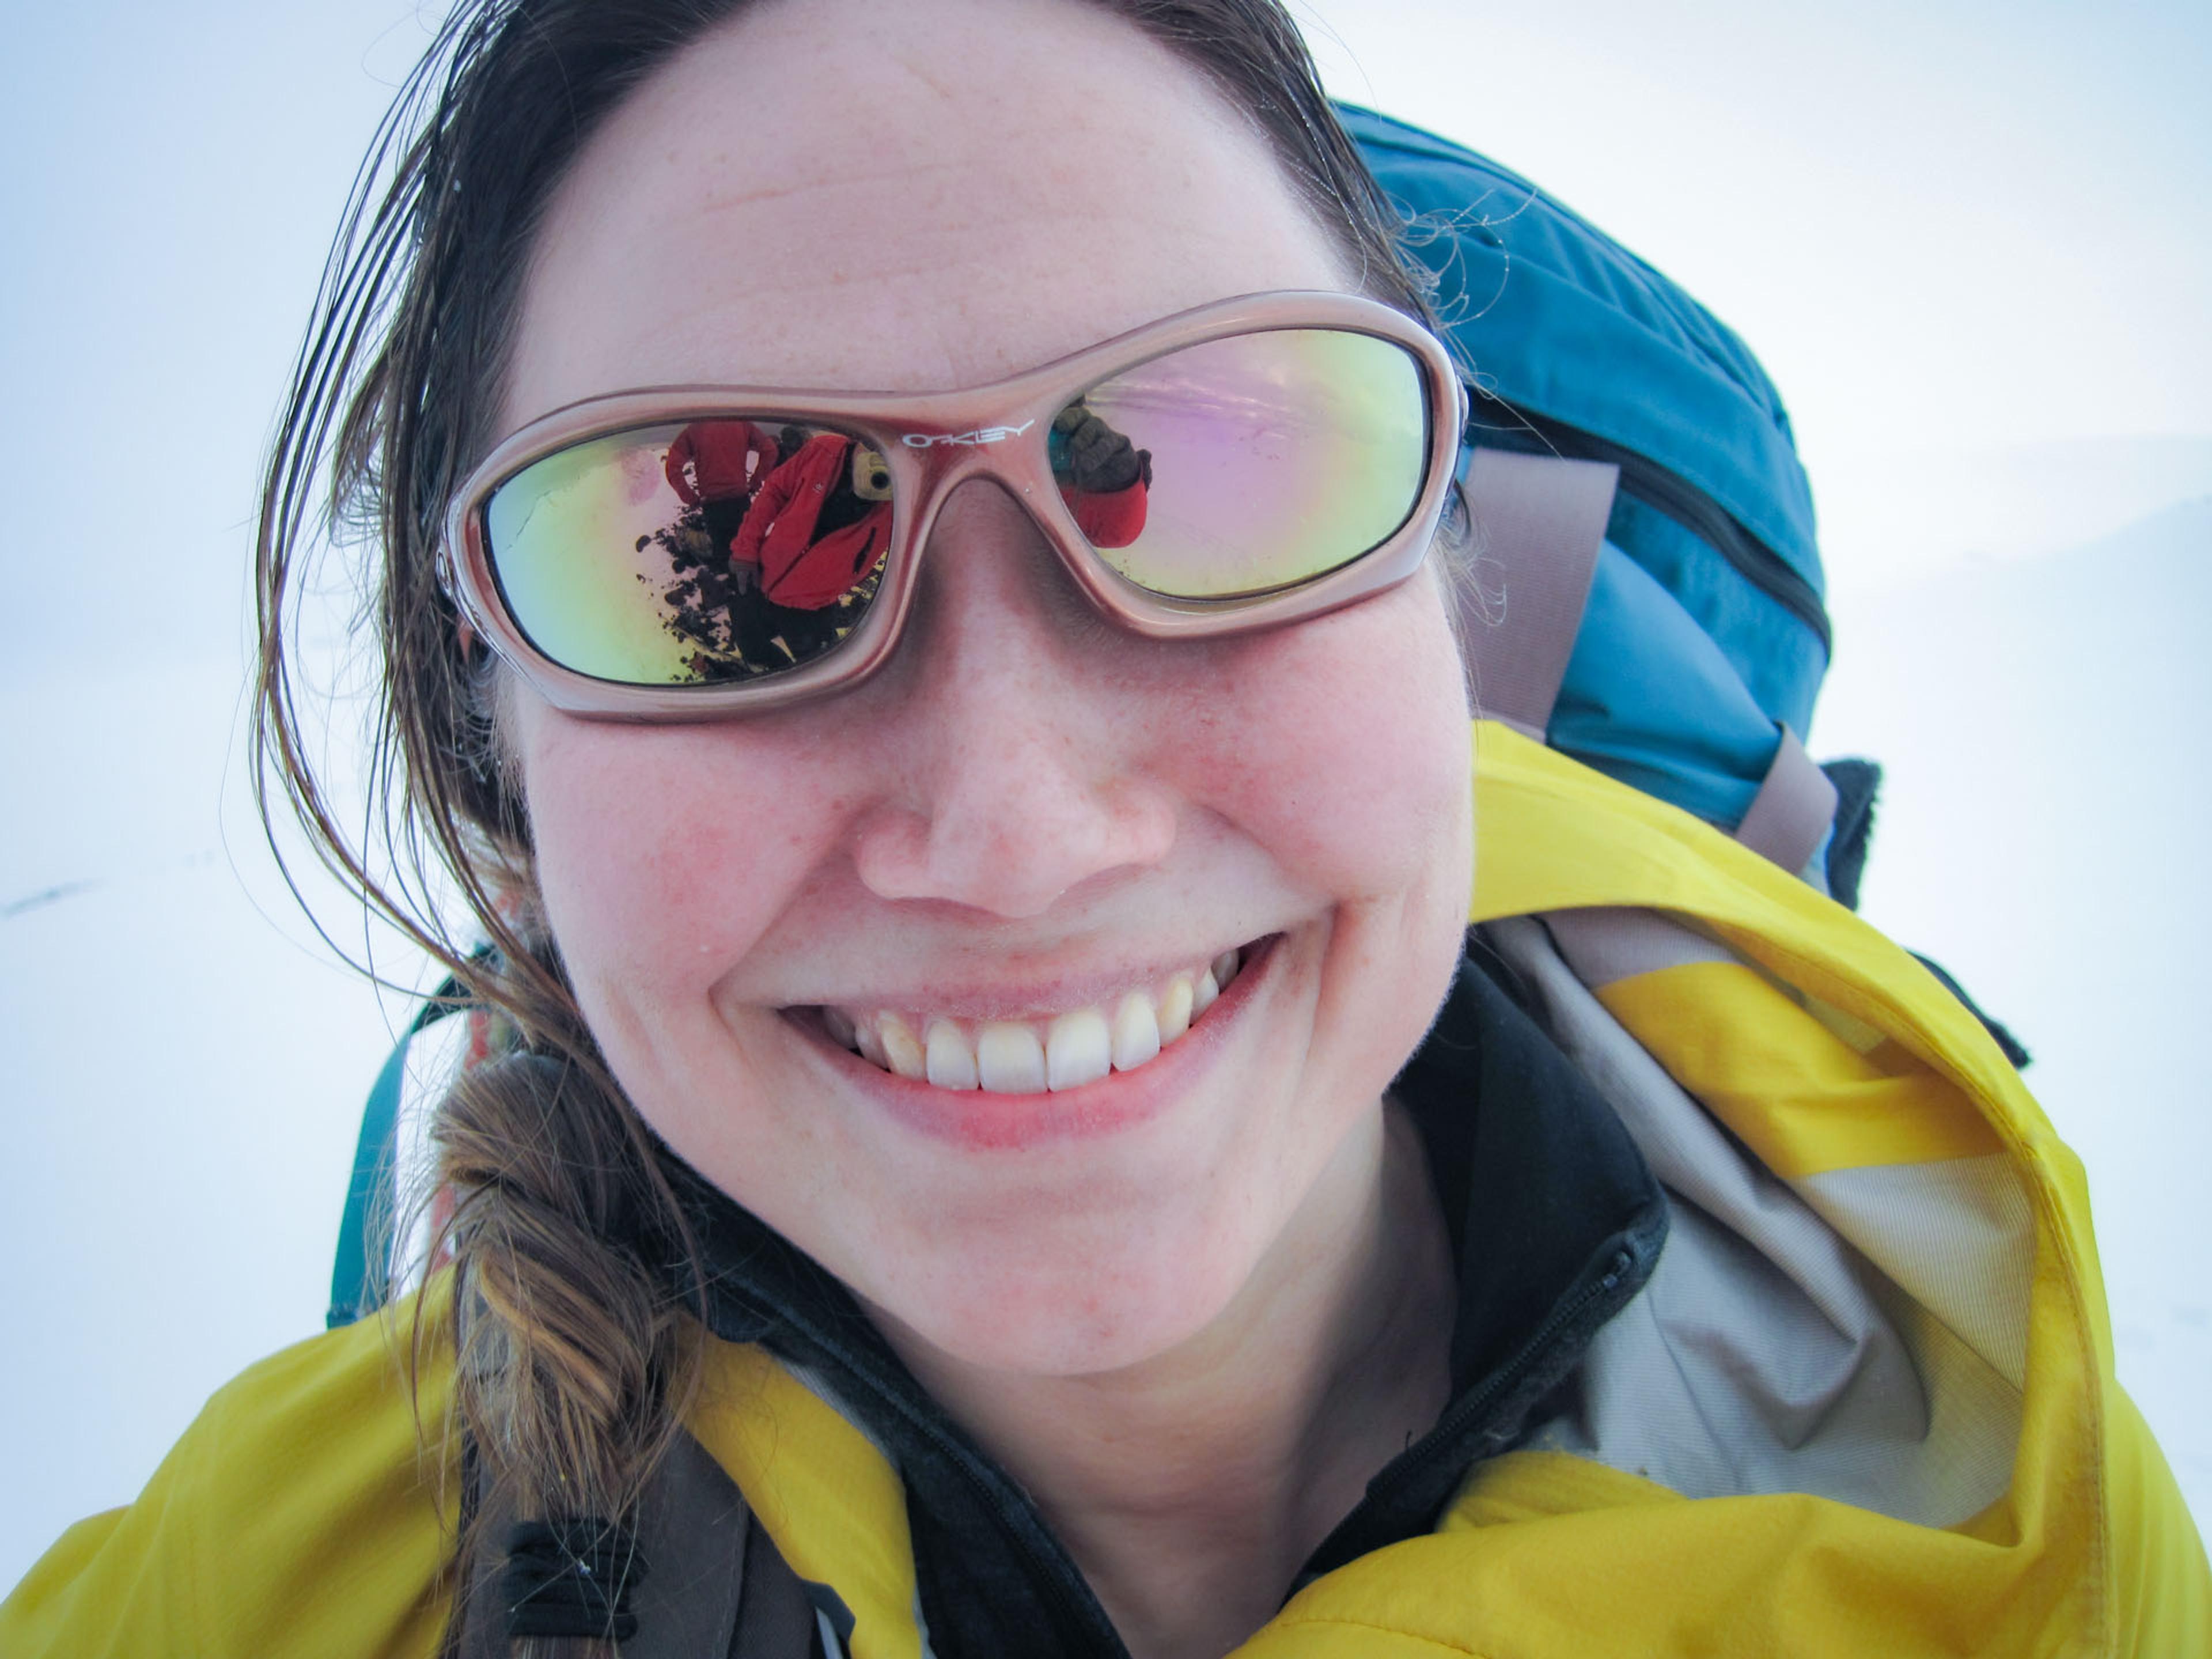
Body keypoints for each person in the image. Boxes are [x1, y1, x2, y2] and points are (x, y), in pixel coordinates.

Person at [3, 1, 2205, 1656]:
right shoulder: (286, 1594)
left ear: (1439, 583)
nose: (1019, 829)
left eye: (1219, 462)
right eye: (713, 557)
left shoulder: (1999, 1493)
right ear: (506, 765)